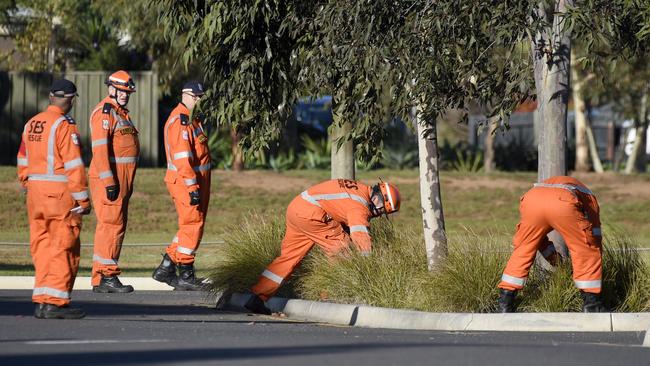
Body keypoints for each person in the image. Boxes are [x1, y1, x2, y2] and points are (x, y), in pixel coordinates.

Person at [244, 179, 401, 314]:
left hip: (297, 208)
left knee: (289, 258)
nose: (378, 213)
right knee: (342, 249)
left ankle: (258, 296)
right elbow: (360, 235)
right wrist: (368, 262)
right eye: (381, 209)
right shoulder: (359, 206)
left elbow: (336, 206)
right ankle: (328, 298)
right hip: (313, 215)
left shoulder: (358, 189)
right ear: (378, 198)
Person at [17, 79, 91, 319]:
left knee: (42, 247)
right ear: (69, 100)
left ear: (50, 97)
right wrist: (83, 200)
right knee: (63, 246)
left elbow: (22, 159)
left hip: (35, 195)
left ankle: (42, 299)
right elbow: (73, 166)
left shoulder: (32, 123)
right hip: (59, 196)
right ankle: (56, 302)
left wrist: (27, 184)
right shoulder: (64, 125)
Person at [498, 176, 607, 313]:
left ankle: (505, 303)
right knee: (587, 248)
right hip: (563, 201)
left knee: (524, 247)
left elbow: (539, 240)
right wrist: (593, 255)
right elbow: (594, 237)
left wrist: (555, 260)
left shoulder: (552, 186)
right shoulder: (589, 196)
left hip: (532, 198)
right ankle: (592, 304)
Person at [152, 81, 211, 291]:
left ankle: (167, 265)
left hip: (195, 181)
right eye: (195, 96)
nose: (198, 100)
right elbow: (182, 159)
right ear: (185, 95)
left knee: (189, 225)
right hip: (186, 181)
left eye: (200, 96)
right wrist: (192, 187)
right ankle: (186, 273)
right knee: (192, 224)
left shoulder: (192, 120)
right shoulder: (181, 120)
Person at [88, 70, 139, 293]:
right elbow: (100, 150)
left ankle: (101, 276)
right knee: (111, 226)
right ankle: (107, 275)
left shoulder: (120, 113)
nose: (125, 95)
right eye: (122, 91)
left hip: (121, 180)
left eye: (128, 92)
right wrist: (109, 182)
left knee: (113, 226)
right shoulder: (105, 113)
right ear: (111, 89)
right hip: (110, 180)